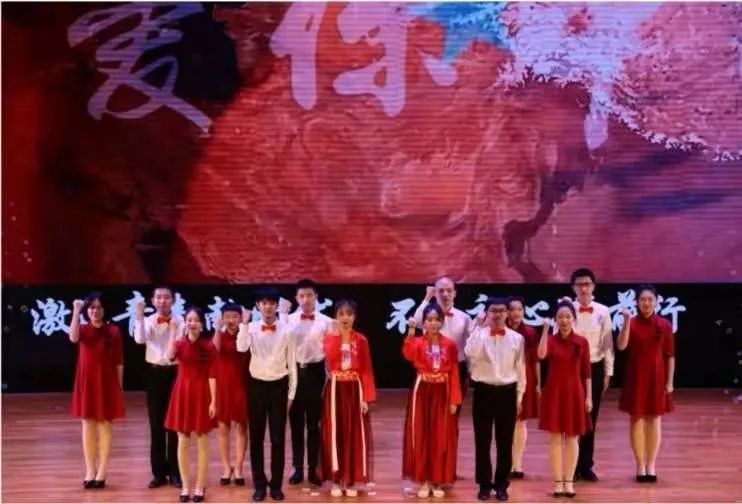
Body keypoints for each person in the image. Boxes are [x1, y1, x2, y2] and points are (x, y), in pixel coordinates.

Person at [237, 287, 297, 502]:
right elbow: (241, 347)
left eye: (272, 303)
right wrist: (244, 324)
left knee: (278, 439)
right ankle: (259, 485)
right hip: (256, 386)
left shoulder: (287, 330)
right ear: (258, 306)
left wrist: (291, 395)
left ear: (276, 306)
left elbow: (292, 363)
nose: (268, 307)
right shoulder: (251, 328)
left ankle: (276, 485)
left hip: (279, 386)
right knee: (256, 438)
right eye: (264, 303)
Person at [465, 297, 526, 501]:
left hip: (507, 392)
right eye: (493, 310)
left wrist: (519, 396)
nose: (497, 314)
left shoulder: (517, 338)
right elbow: (469, 353)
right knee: (482, 441)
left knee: (505, 442)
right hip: (483, 391)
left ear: (507, 313)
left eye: (501, 310)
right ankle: (484, 484)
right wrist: (478, 326)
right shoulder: (479, 335)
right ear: (487, 313)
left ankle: (501, 485)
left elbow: (520, 370)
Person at [616, 284, 675, 483]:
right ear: (637, 302)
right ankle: (640, 464)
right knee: (637, 419)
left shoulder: (664, 324)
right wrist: (625, 321)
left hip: (657, 377)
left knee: (655, 419)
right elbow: (621, 346)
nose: (646, 303)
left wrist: (670, 382)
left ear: (656, 301)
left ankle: (651, 464)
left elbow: (670, 356)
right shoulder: (631, 323)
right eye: (642, 299)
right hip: (636, 376)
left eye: (650, 299)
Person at [402, 303, 462, 498]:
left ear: (442, 322)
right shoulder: (418, 342)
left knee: (440, 436)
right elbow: (408, 354)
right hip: (422, 392)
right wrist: (411, 332)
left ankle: (437, 480)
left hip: (443, 392)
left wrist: (454, 400)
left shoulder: (450, 345)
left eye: (437, 319)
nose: (433, 323)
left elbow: (454, 372)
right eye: (429, 320)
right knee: (421, 434)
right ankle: (424, 480)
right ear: (424, 323)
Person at [69, 292, 125, 489]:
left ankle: (102, 470)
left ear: (105, 309)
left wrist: (120, 387)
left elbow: (119, 361)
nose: (95, 311)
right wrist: (76, 311)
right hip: (87, 382)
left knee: (105, 424)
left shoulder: (113, 331)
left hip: (107, 382)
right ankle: (89, 469)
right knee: (88, 424)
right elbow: (73, 337)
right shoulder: (83, 329)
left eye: (99, 307)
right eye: (92, 307)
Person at [320, 300, 376, 497]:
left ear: (355, 317)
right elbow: (330, 361)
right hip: (335, 389)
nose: (345, 318)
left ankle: (350, 480)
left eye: (349, 314)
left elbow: (366, 370)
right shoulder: (329, 339)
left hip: (354, 389)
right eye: (341, 314)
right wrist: (336, 336)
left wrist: (366, 398)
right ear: (336, 316)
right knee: (334, 433)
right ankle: (336, 479)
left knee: (353, 434)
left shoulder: (361, 340)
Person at [537, 301, 592, 498]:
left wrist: (589, 397)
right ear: (556, 320)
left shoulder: (582, 342)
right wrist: (545, 330)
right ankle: (557, 482)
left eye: (568, 317)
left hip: (575, 393)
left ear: (573, 319)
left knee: (572, 438)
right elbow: (541, 354)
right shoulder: (551, 340)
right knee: (554, 438)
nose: (564, 320)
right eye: (560, 317)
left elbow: (587, 372)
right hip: (554, 392)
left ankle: (569, 481)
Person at [165, 307, 217, 503]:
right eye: (189, 320)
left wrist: (214, 401)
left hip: (202, 395)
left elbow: (213, 375)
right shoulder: (179, 344)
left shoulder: (208, 346)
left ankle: (199, 486)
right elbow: (169, 356)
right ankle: (186, 486)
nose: (192, 323)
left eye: (196, 320)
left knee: (202, 441)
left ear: (202, 324)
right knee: (183, 441)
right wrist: (173, 331)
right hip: (183, 394)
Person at [134, 286, 183, 488]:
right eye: (159, 297)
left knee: (174, 425)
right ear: (153, 301)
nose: (163, 301)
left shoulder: (181, 321)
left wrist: (173, 329)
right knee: (156, 424)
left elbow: (176, 349)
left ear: (173, 301)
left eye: (166, 297)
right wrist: (139, 316)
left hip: (175, 372)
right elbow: (140, 339)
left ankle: (176, 472)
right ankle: (158, 473)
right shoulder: (147, 321)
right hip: (154, 373)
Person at [569, 268, 614, 481]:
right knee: (571, 418)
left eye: (587, 284)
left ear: (594, 286)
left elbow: (608, 344)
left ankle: (586, 465)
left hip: (594, 367)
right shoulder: (566, 309)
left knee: (590, 418)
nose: (584, 288)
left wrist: (607, 373)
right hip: (571, 369)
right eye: (580, 284)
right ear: (573, 288)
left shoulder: (603, 311)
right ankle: (570, 466)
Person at [286, 278, 332, 487]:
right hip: (294, 372)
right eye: (302, 296)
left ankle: (313, 469)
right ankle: (297, 468)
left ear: (316, 297)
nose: (306, 300)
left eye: (310, 295)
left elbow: (330, 353)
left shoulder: (326, 322)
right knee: (296, 424)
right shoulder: (288, 320)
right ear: (296, 298)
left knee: (314, 425)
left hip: (316, 373)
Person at [212, 302, 248, 486]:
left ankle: (239, 467)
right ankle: (226, 467)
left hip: (242, 385)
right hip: (223, 386)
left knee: (241, 427)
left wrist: (245, 326)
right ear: (222, 318)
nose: (231, 320)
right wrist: (217, 329)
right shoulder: (220, 335)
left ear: (240, 318)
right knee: (223, 428)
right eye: (227, 317)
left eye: (235, 316)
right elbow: (214, 351)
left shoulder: (246, 334)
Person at [506, 296, 540, 480]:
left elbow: (535, 360)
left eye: (519, 309)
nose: (516, 313)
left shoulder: (530, 332)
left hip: (525, 378)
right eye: (512, 309)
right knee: (505, 422)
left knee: (521, 421)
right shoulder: (500, 330)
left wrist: (538, 384)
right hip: (504, 377)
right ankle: (506, 462)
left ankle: (517, 464)